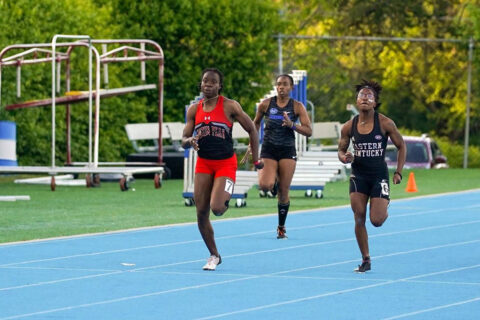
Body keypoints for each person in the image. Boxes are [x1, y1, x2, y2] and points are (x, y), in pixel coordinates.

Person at [181, 68, 262, 271]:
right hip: (204, 163)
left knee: (217, 208)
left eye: (212, 82)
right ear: (200, 84)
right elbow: (183, 140)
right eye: (204, 81)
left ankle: (225, 194)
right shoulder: (194, 109)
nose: (207, 85)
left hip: (225, 163)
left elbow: (252, 128)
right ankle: (214, 255)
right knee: (201, 212)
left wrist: (256, 155)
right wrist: (189, 141)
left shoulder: (230, 106)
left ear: (219, 86)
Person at [337, 79, 406, 272]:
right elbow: (341, 151)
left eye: (369, 96)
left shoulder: (385, 123)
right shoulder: (348, 127)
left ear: (375, 102)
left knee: (376, 220)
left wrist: (398, 172)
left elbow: (401, 146)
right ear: (357, 101)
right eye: (362, 96)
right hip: (358, 176)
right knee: (359, 218)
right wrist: (344, 157)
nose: (365, 98)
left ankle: (384, 202)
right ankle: (366, 259)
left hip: (378, 176)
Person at [244, 74, 312, 239]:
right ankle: (272, 181)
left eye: (285, 84)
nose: (281, 87)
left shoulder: (297, 107)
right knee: (265, 185)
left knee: (283, 192)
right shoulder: (266, 104)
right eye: (279, 84)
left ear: (291, 88)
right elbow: (256, 124)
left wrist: (292, 125)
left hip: (287, 151)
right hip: (269, 149)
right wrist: (251, 145)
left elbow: (309, 131)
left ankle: (281, 227)